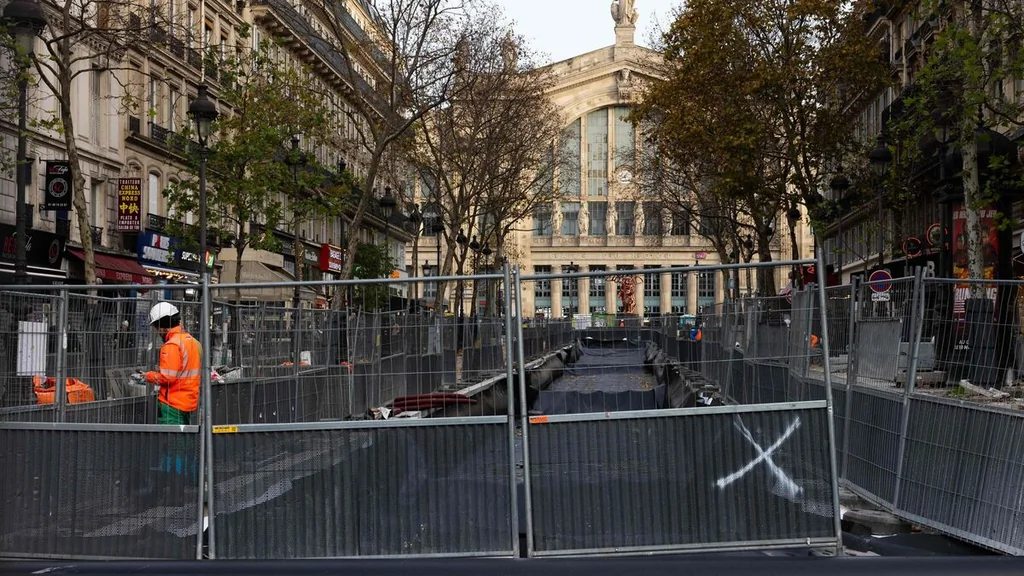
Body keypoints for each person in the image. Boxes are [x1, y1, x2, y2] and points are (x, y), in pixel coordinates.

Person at [145, 302, 201, 425]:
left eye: (156, 328)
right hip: (189, 402)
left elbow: (168, 378)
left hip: (172, 404)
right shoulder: (191, 341)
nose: (157, 332)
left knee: (171, 442)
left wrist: (148, 376)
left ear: (162, 326)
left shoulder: (171, 345)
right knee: (185, 440)